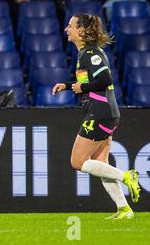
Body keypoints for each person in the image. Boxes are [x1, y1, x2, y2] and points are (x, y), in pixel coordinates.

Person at [52, 14, 140, 219]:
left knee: (77, 161)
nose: (67, 29)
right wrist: (67, 86)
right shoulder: (85, 53)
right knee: (101, 164)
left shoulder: (90, 53)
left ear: (82, 31)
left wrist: (81, 86)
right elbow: (91, 83)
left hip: (100, 113)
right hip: (105, 112)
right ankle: (124, 209)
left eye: (71, 25)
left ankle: (127, 176)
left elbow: (105, 79)